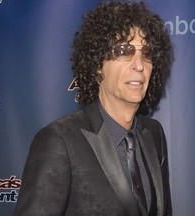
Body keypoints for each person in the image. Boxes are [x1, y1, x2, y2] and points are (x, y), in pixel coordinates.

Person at [14, 1, 173, 216]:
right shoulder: (58, 141)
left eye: (146, 53)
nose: (139, 64)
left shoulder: (154, 134)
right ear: (97, 65)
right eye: (124, 50)